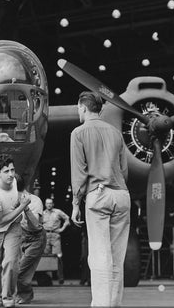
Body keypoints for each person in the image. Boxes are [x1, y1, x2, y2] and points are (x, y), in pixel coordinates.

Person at [70, 91, 130, 307]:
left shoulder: (78, 133)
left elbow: (79, 174)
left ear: (83, 108)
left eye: (78, 108)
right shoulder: (115, 133)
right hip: (122, 195)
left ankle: (102, 305)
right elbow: (124, 170)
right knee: (116, 257)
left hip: (98, 194)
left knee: (99, 257)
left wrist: (76, 204)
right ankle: (113, 303)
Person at [0, 154, 30, 308]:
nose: (11, 174)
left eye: (12, 170)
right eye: (6, 171)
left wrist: (20, 202)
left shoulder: (15, 181)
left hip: (13, 226)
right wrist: (23, 206)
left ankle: (8, 297)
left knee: (10, 261)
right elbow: (0, 221)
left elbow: (18, 197)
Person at [15, 174, 46, 304]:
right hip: (21, 237)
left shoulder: (34, 201)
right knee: (14, 269)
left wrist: (25, 208)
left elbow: (35, 226)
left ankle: (26, 296)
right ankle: (20, 294)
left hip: (36, 239)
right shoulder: (12, 200)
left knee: (21, 271)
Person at [42, 198, 70, 284]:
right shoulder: (43, 213)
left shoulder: (58, 212)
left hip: (55, 236)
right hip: (46, 236)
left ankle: (60, 278)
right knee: (46, 257)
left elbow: (67, 219)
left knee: (58, 256)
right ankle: (48, 279)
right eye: (47, 203)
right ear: (45, 204)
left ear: (53, 204)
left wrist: (62, 229)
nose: (49, 205)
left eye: (50, 203)